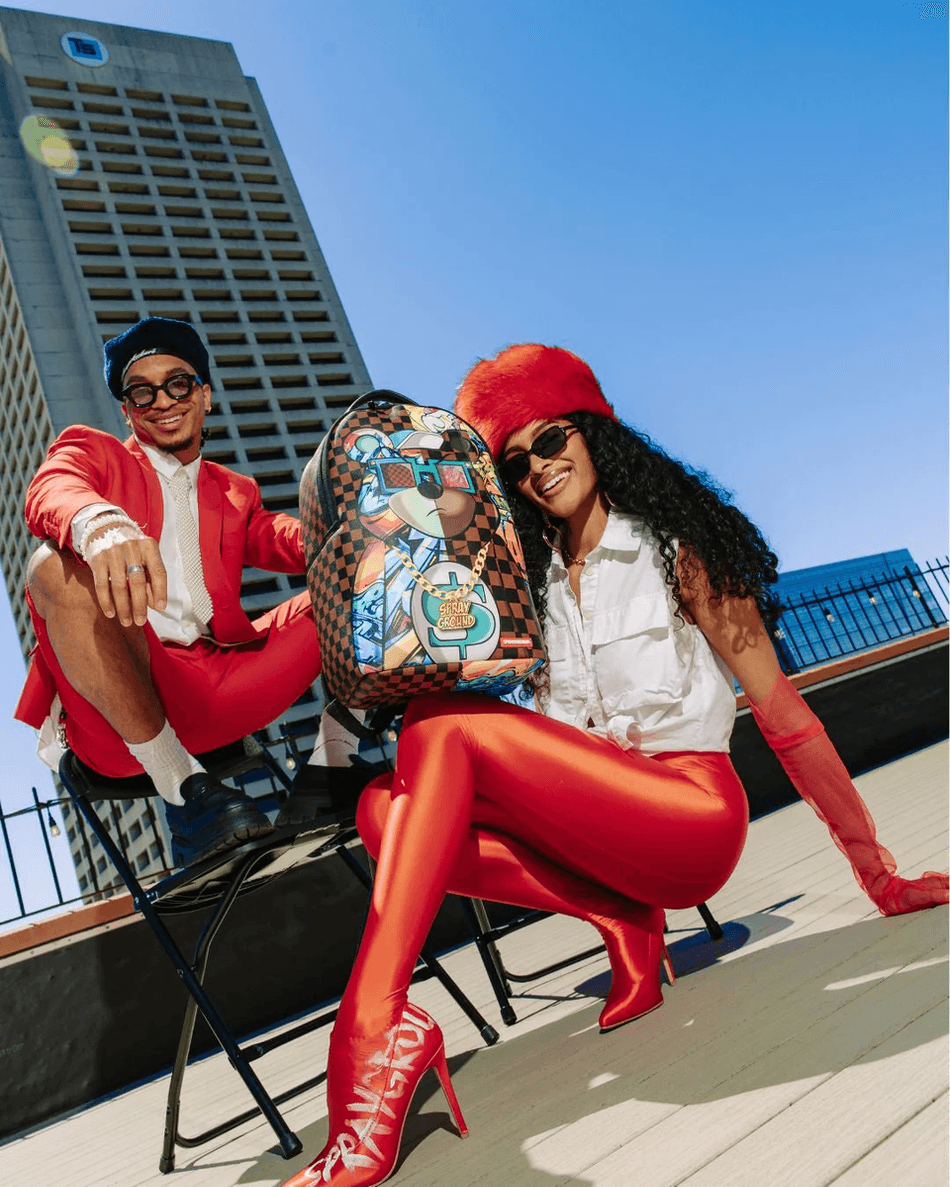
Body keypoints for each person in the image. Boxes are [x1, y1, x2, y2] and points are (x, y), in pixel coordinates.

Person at [281, 343, 948, 1187]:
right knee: (383, 807)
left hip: (691, 821)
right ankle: (622, 920)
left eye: (551, 439)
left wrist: (879, 875)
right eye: (514, 462)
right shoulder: (528, 591)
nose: (538, 468)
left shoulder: (678, 551)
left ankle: (373, 1028)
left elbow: (785, 716)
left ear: (594, 431)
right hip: (599, 835)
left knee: (442, 727)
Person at [15, 317, 335, 865]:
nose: (162, 400)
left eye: (178, 384)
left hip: (218, 687)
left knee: (360, 574)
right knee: (49, 566)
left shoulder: (235, 492)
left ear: (204, 395)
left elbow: (293, 541)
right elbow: (52, 486)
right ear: (128, 411)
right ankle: (185, 792)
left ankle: (336, 763)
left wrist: (369, 531)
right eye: (142, 392)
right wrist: (100, 524)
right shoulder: (96, 455)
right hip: (117, 708)